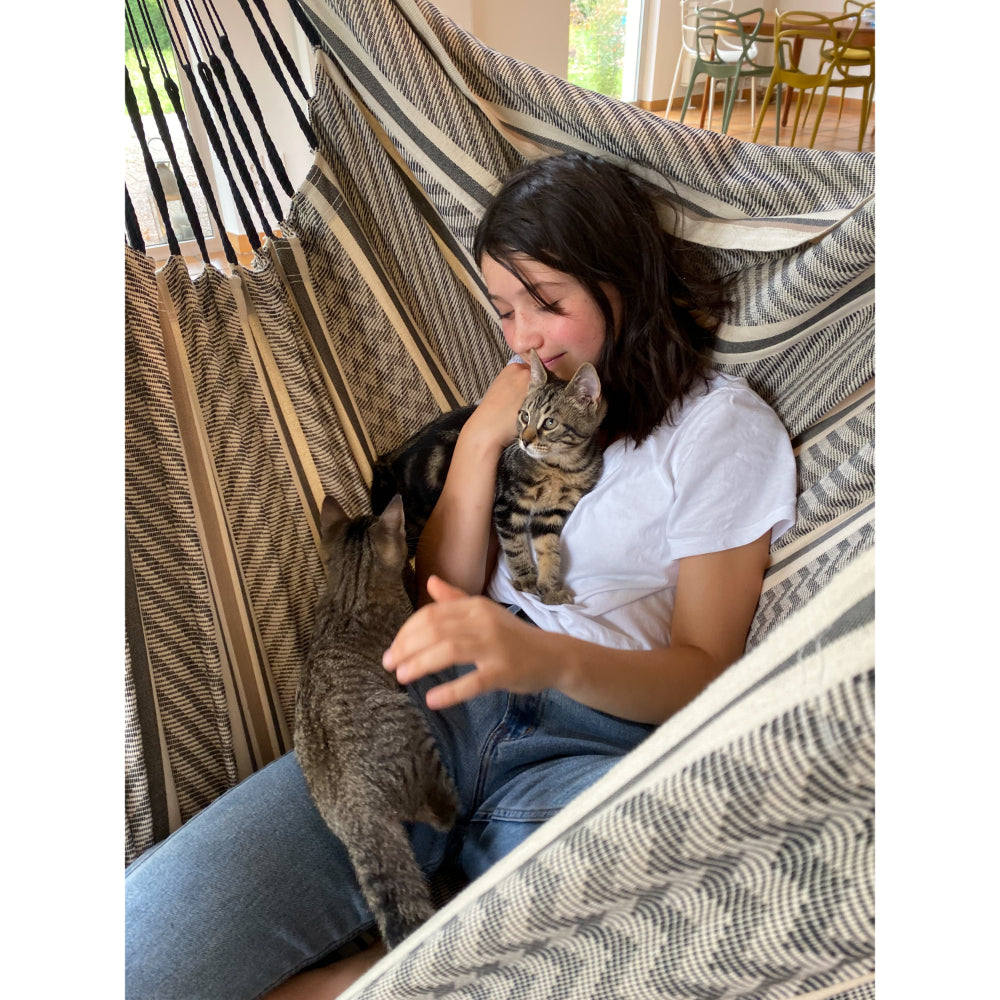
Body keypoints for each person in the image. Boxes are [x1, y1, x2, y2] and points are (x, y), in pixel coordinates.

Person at [125, 152, 797, 1000]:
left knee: (658, 943)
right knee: (128, 961)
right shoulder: (526, 398)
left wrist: (544, 660)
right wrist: (481, 438)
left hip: (589, 749)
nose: (522, 338)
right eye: (505, 310)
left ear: (624, 282)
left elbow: (706, 672)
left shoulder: (720, 431)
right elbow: (440, 580)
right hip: (413, 716)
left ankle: (384, 967)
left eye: (547, 304)